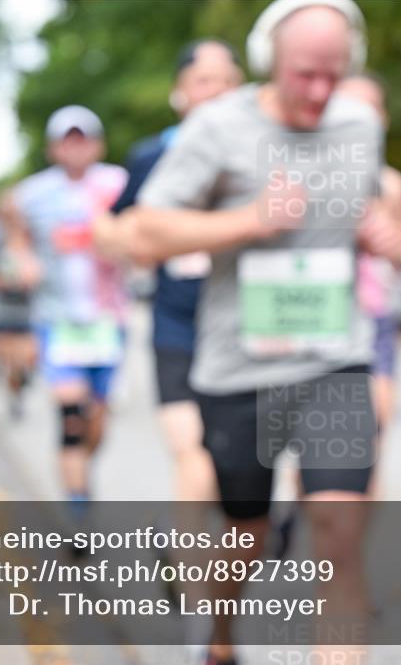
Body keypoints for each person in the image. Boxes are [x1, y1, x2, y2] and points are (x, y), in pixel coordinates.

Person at [101, 0, 401, 663]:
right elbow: (145, 232)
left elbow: (371, 219)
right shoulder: (218, 127)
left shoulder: (359, 125)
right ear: (271, 60)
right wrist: (246, 221)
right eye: (305, 74)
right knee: (245, 530)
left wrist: (385, 236)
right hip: (237, 369)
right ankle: (219, 636)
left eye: (334, 74)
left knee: (337, 531)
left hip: (335, 359)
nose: (320, 92)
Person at [95, 38, 244, 658]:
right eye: (204, 80)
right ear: (180, 93)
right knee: (195, 459)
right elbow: (113, 227)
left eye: (227, 79)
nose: (216, 91)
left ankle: (199, 565)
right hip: (179, 326)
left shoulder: (263, 150)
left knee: (240, 485)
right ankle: (198, 619)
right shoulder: (152, 154)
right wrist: (142, 241)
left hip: (248, 331)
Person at [14, 105, 128, 508]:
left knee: (97, 419)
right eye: (68, 141)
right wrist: (23, 259)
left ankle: (80, 470)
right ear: (53, 149)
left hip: (107, 318)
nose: (76, 149)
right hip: (57, 319)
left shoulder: (118, 184)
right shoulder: (33, 193)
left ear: (98, 145)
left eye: (83, 140)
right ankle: (76, 502)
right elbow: (14, 231)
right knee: (71, 416)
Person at [336, 73, 401, 454]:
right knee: (323, 439)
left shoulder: (392, 185)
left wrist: (392, 245)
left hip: (377, 316)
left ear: (381, 119)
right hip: (323, 319)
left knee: (373, 429)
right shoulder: (307, 176)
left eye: (367, 107)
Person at [0, 190, 40, 420]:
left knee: (29, 357)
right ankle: (15, 396)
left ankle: (22, 379)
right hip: (2, 307)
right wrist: (2, 279)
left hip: (30, 306)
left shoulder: (36, 239)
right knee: (11, 360)